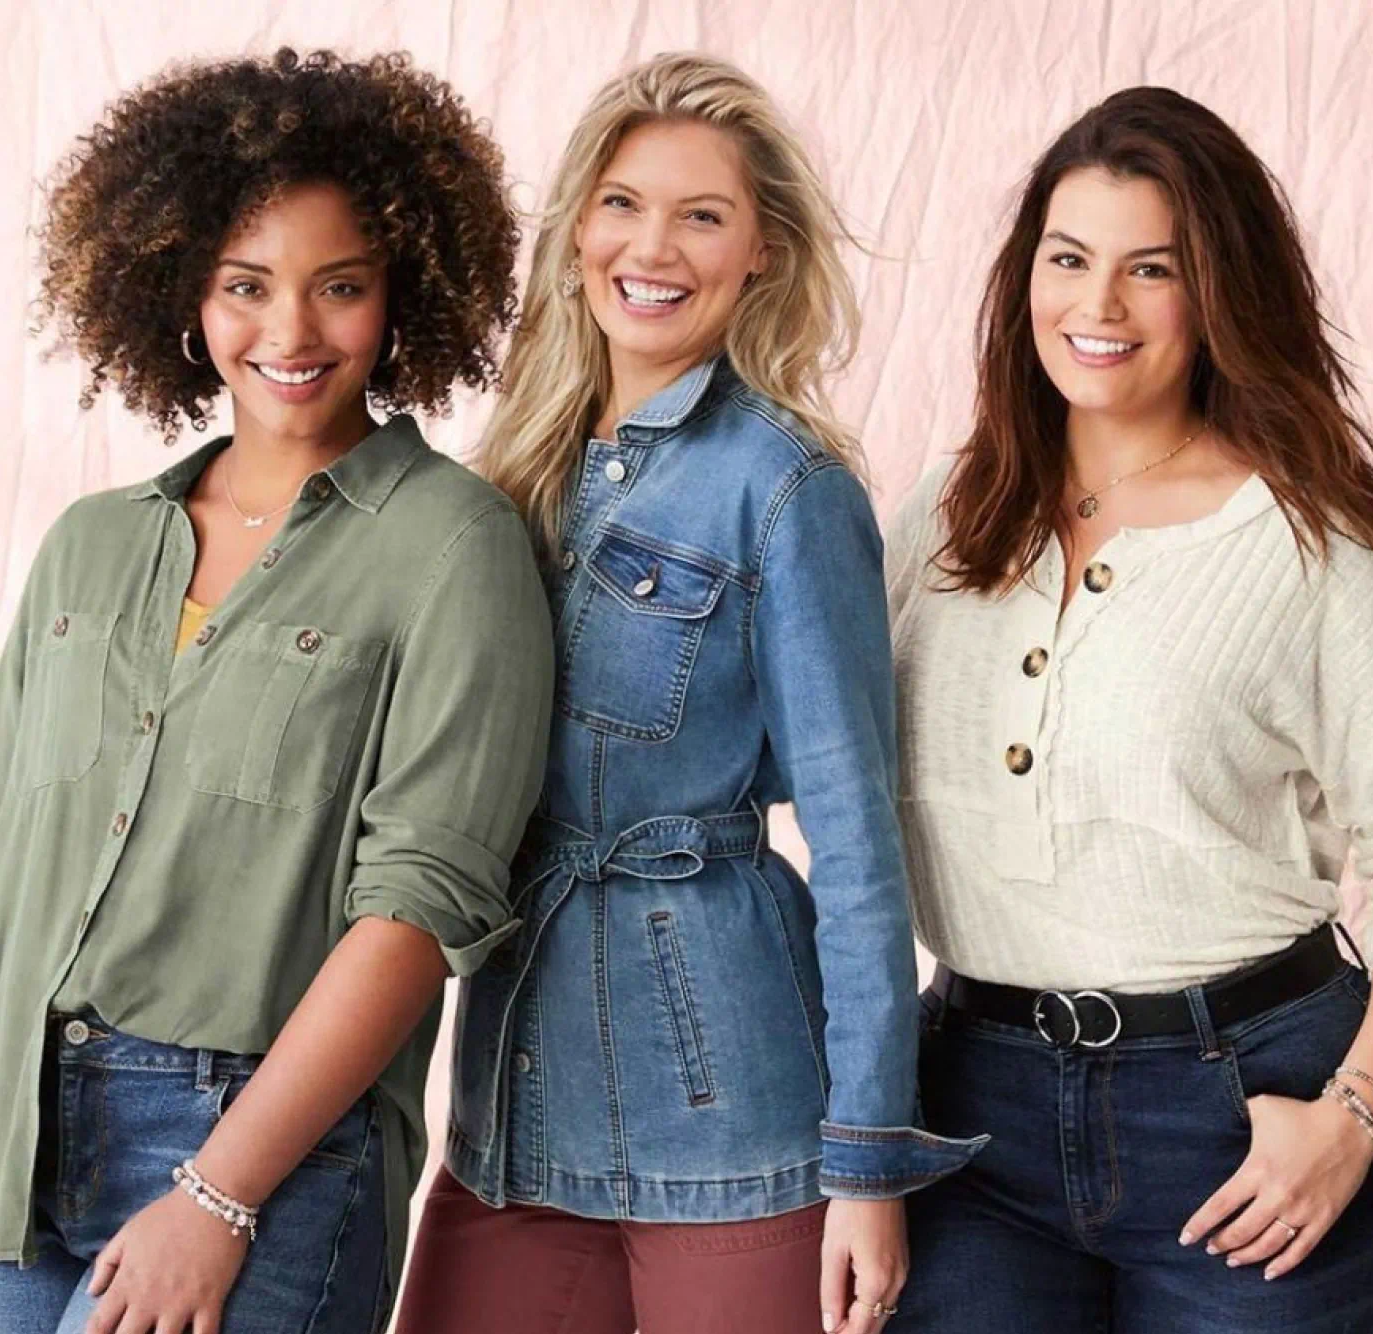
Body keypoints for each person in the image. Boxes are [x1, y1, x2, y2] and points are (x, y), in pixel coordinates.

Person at [0, 47, 552, 1334]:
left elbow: (421, 906)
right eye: (246, 287)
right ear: (183, 294)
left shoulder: (453, 545)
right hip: (3, 1142)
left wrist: (219, 1192)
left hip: (257, 1151)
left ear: (403, 295)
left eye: (341, 287)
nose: (292, 333)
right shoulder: (92, 542)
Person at [887, 86, 1373, 1333]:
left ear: (1215, 292)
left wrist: (1357, 1111)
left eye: (1149, 269)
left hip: (1246, 1112)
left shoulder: (1301, 547)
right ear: (1024, 278)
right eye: (1068, 258)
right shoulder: (946, 515)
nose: (1096, 307)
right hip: (967, 1111)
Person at [395, 52, 983, 1334]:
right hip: (513, 1095)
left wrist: (869, 1158)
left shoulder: (786, 488)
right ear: (576, 229)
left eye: (701, 214)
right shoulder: (513, 474)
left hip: (732, 1099)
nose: (650, 245)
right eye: (621, 201)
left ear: (762, 250)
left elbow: (858, 841)